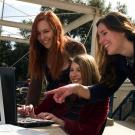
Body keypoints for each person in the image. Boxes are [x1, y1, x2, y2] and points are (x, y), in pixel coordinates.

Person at [46, 11, 135, 104]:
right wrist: (76, 88)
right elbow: (104, 89)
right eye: (99, 37)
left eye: (104, 33)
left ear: (122, 30)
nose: (100, 41)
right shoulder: (120, 60)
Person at [18, 54, 109, 135]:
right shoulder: (62, 89)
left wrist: (61, 122)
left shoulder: (101, 99)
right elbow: (39, 111)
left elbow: (91, 131)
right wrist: (31, 112)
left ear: (90, 73)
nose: (73, 75)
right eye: (71, 70)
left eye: (79, 70)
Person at [26, 11, 86, 106]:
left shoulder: (75, 48)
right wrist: (29, 108)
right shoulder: (39, 51)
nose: (42, 37)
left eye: (46, 31)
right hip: (51, 104)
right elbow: (35, 87)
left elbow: (86, 82)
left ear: (56, 30)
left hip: (74, 106)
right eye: (38, 33)